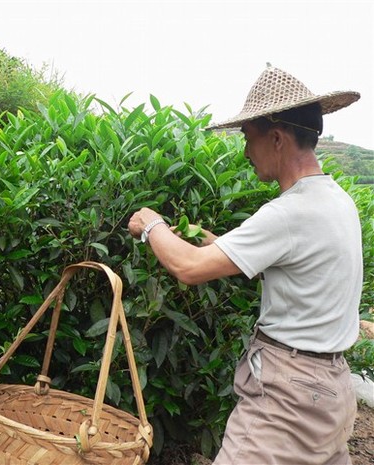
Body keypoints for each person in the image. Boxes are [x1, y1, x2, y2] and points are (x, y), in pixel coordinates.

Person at [128, 64, 362, 465]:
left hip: (288, 401)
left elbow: (188, 268)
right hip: (331, 391)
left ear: (275, 138)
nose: (244, 151)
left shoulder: (290, 212)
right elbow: (289, 263)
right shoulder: (337, 201)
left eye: (247, 137)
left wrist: (152, 225)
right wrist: (211, 241)